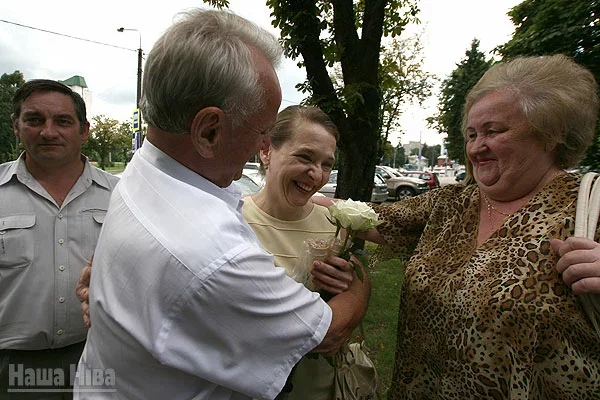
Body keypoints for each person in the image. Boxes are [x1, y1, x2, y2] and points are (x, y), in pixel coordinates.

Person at [74, 9, 370, 400]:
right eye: (263, 131)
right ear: (209, 131)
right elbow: (325, 334)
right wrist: (360, 292)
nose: (261, 146)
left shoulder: (146, 172)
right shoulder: (215, 253)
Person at [358, 54, 600, 397]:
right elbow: (362, 218)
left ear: (551, 133)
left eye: (493, 131)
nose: (476, 147)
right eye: (471, 134)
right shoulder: (452, 203)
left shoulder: (589, 208)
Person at [0, 79, 119, 398]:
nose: (48, 132)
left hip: (97, 360)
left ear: (84, 130)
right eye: (34, 120)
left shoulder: (121, 197)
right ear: (16, 126)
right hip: (10, 368)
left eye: (63, 121)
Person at [243, 105, 354, 400]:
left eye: (327, 164)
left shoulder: (335, 224)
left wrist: (349, 286)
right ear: (266, 150)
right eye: (305, 157)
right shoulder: (232, 220)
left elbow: (354, 286)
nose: (316, 174)